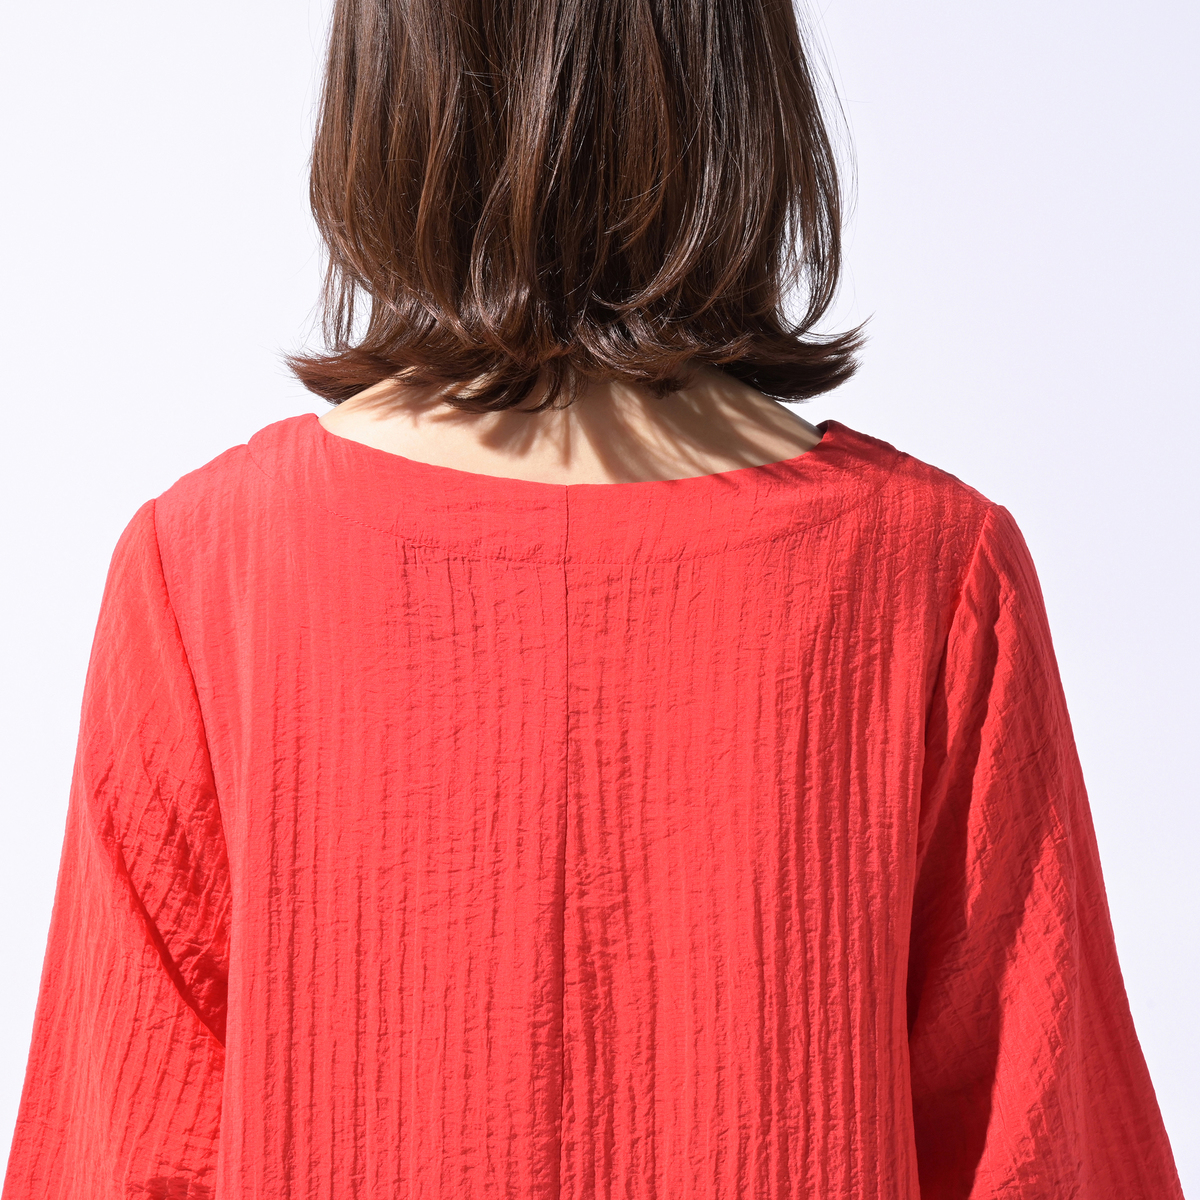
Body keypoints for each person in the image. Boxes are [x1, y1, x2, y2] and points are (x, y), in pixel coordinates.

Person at [1, 0, 1185, 1197]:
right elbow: (1043, 1159)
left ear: (390, 67)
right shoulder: (932, 576)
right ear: (735, 65)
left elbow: (122, 1159)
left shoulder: (206, 574)